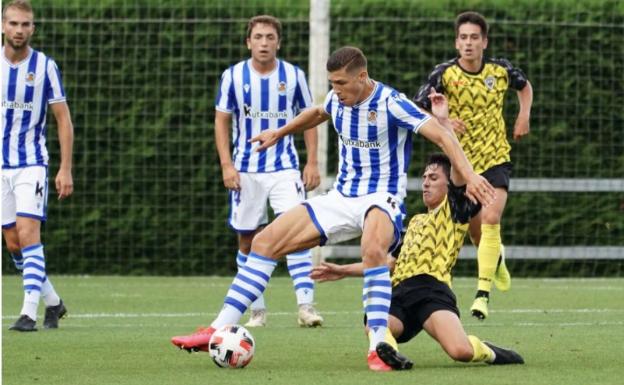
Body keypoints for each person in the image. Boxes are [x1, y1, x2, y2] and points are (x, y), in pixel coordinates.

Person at [171, 46, 496, 371]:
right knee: (264, 243)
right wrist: (280, 132)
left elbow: (441, 134)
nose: (335, 90)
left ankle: (378, 346)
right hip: (340, 198)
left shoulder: (390, 103)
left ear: (362, 77)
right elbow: (316, 113)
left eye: (341, 83)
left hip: (381, 199)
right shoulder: (337, 99)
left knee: (373, 249)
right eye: (332, 83)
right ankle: (216, 328)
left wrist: (468, 176)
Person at [311, 153, 524, 368]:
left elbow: (458, 173)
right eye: (424, 178)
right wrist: (343, 270)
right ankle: (391, 354)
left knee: (460, 351)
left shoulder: (454, 209)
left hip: (432, 291)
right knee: (375, 326)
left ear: (449, 184)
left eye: (433, 178)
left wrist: (446, 133)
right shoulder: (413, 222)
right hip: (399, 293)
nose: (425, 183)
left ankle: (490, 352)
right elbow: (388, 264)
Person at [414, 11, 534, 320]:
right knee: (478, 233)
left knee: (492, 215)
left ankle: (482, 296)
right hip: (461, 164)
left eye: (474, 37)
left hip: (495, 158)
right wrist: (444, 120)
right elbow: (417, 106)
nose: (469, 43)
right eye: (463, 37)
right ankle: (497, 259)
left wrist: (524, 115)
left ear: (484, 41)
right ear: (457, 42)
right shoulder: (444, 74)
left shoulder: (500, 70)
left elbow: (525, 86)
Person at [214, 15, 322, 328]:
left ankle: (306, 306)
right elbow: (221, 120)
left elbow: (309, 118)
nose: (264, 43)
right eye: (258, 37)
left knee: (297, 232)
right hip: (245, 171)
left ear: (278, 42)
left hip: (284, 169)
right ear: (249, 42)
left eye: (270, 37)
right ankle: (256, 310)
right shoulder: (232, 76)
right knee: (247, 239)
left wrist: (312, 161)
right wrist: (226, 165)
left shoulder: (293, 75)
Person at [1, 0, 74, 331]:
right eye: (13, 23)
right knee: (13, 242)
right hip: (1, 167)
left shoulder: (45, 66)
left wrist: (65, 168)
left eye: (25, 24)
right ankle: (54, 303)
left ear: (33, 28)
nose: (19, 30)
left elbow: (63, 119)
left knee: (29, 233)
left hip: (32, 163)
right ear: (3, 26)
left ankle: (29, 312)